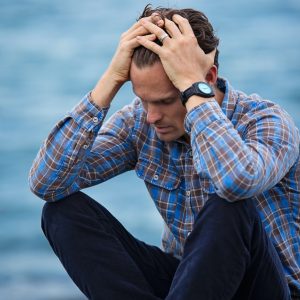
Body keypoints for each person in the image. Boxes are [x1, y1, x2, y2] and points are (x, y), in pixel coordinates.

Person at [29, 4, 300, 300]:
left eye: (166, 101)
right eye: (144, 101)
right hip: (188, 283)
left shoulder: (267, 121)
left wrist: (192, 88)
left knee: (230, 204)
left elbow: (235, 181)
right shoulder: (140, 123)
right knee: (61, 213)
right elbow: (47, 183)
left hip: (267, 288)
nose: (151, 116)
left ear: (207, 78)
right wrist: (110, 80)